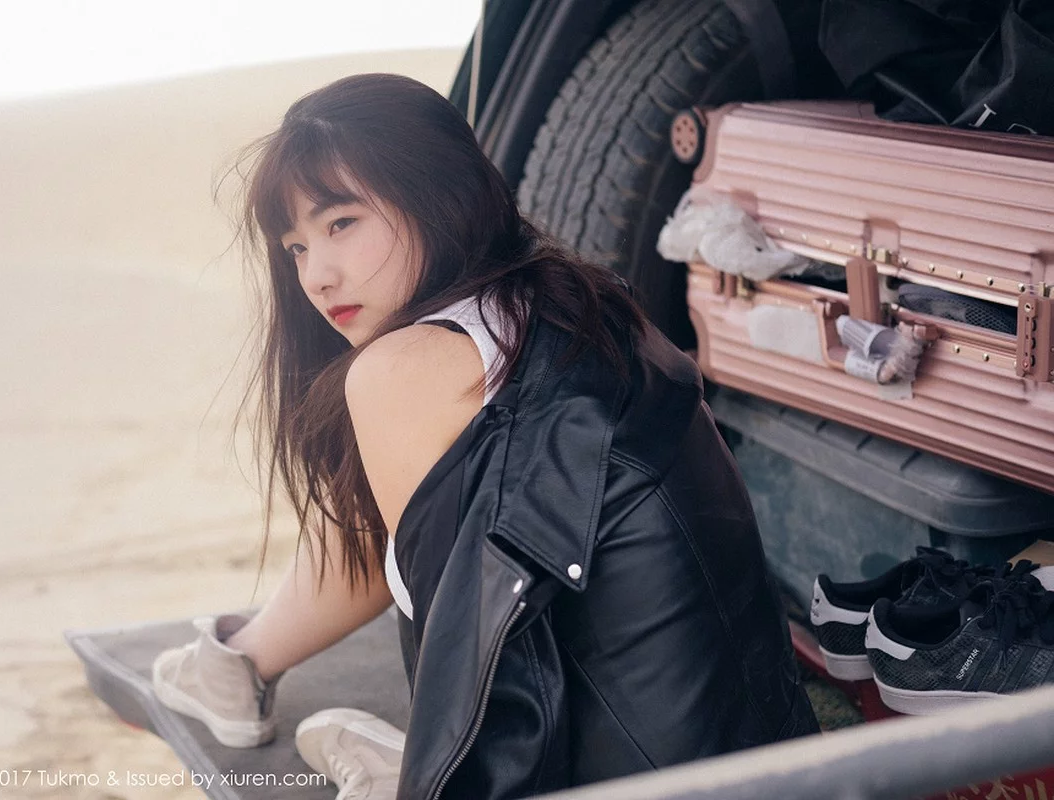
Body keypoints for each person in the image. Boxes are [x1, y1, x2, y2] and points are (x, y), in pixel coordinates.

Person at [151, 72, 820, 800]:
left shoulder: (405, 368)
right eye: (295, 248)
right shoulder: (567, 304)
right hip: (768, 760)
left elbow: (481, 671)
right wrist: (241, 659)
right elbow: (373, 550)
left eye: (340, 223)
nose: (317, 276)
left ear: (436, 193)